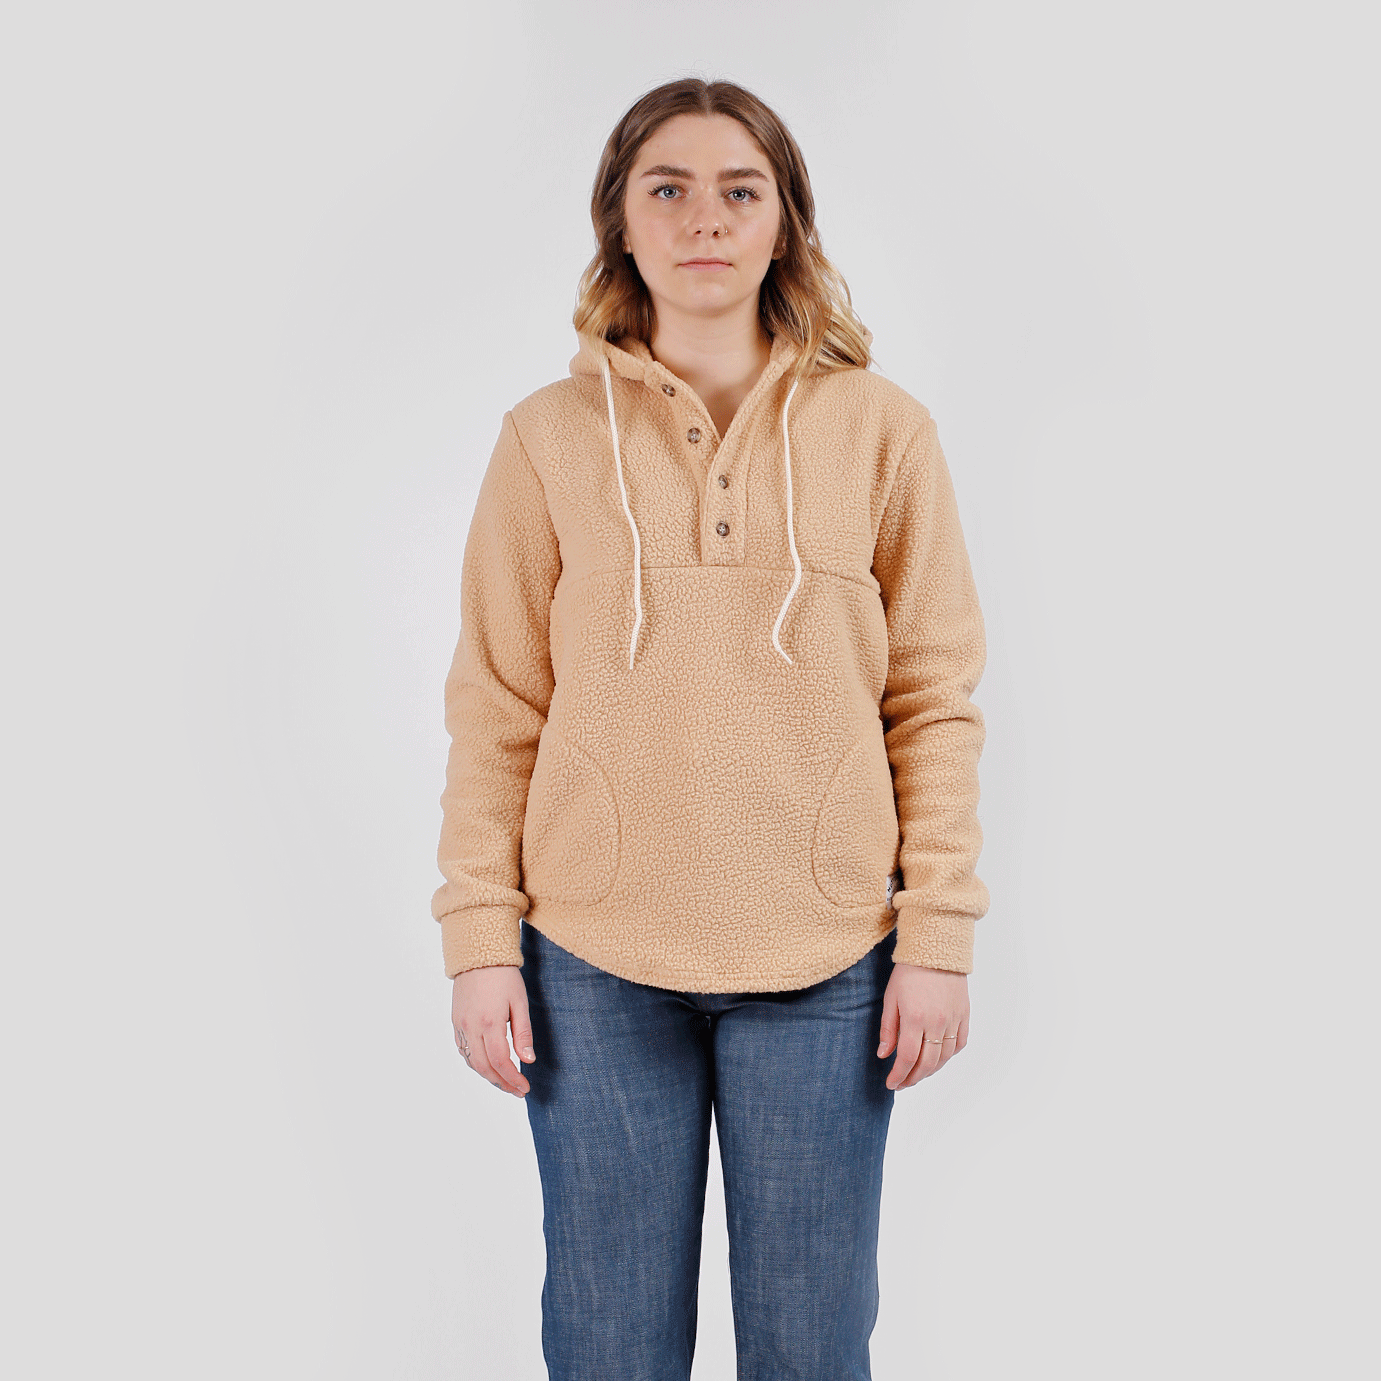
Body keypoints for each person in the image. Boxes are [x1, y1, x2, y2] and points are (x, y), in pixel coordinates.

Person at [432, 76, 990, 1381]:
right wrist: (478, 938)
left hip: (830, 957)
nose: (705, 219)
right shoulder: (548, 438)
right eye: (667, 189)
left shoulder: (884, 433)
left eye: (741, 190)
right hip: (590, 959)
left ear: (784, 220)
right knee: (609, 1344)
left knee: (809, 1347)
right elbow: (497, 702)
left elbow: (933, 698)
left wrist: (939, 934)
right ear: (619, 222)